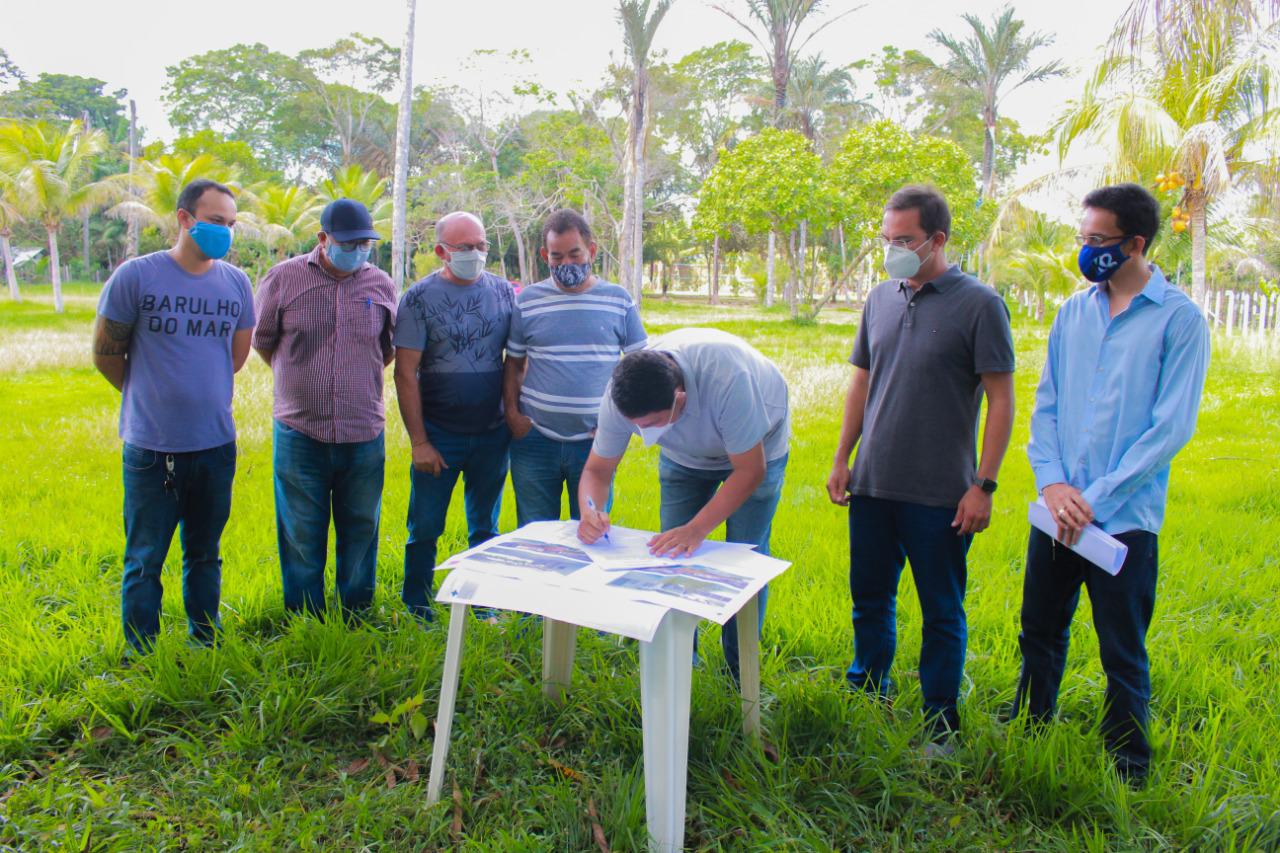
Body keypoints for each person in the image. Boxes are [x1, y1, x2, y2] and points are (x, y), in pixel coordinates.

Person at [1009, 183, 1210, 783]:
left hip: (1122, 519)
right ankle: (1030, 725)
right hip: (1059, 508)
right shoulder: (1074, 312)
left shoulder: (1179, 320)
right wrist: (1053, 485)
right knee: (1039, 628)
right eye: (1084, 238)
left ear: (1135, 244)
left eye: (1098, 241)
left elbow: (1170, 428)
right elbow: (1046, 403)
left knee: (1122, 647)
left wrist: (1094, 499)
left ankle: (1128, 761)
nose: (1087, 250)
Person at [826, 184, 1015, 748]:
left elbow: (1001, 400)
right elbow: (861, 379)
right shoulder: (880, 298)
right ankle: (869, 687)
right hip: (875, 484)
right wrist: (843, 457)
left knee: (941, 611)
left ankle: (940, 718)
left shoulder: (980, 304)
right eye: (887, 239)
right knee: (870, 598)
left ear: (937, 239)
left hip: (941, 494)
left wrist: (983, 485)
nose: (893, 250)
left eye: (904, 240)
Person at [91, 178, 255, 655]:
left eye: (230, 224)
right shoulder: (136, 276)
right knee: (145, 558)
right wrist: (149, 396)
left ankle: (205, 639)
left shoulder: (237, 283)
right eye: (214, 221)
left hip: (215, 444)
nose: (224, 232)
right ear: (184, 219)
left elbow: (236, 356)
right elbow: (106, 353)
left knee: (204, 554)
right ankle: (142, 652)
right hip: (152, 447)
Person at [577, 328, 790, 679]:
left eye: (652, 424)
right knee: (670, 554)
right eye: (636, 426)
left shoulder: (726, 377)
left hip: (758, 447)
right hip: (683, 460)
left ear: (680, 398)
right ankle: (679, 663)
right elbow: (597, 471)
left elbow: (750, 471)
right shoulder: (620, 398)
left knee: (745, 557)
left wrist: (698, 528)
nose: (643, 433)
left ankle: (740, 671)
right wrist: (589, 509)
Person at [252, 199, 397, 619]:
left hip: (363, 430)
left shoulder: (381, 285)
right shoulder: (284, 279)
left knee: (361, 528)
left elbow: (386, 349)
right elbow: (263, 341)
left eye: (364, 243)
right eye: (348, 243)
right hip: (301, 430)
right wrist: (302, 376)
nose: (357, 251)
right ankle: (305, 616)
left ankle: (355, 613)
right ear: (323, 239)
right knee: (300, 531)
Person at [394, 212, 515, 621]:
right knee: (425, 527)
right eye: (465, 248)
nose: (475, 254)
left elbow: (516, 362)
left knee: (486, 528)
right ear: (441, 251)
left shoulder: (504, 293)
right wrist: (420, 442)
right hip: (439, 435)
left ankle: (482, 605)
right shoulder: (417, 298)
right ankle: (417, 606)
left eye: (481, 245)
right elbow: (404, 372)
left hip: (491, 433)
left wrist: (512, 414)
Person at [503, 209, 647, 526]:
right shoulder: (528, 300)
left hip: (595, 443)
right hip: (534, 440)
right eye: (557, 257)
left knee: (591, 531)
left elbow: (640, 367)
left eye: (574, 254)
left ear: (591, 250)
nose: (566, 264)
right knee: (536, 536)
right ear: (545, 255)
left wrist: (619, 423)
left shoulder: (618, 300)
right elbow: (513, 363)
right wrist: (513, 416)